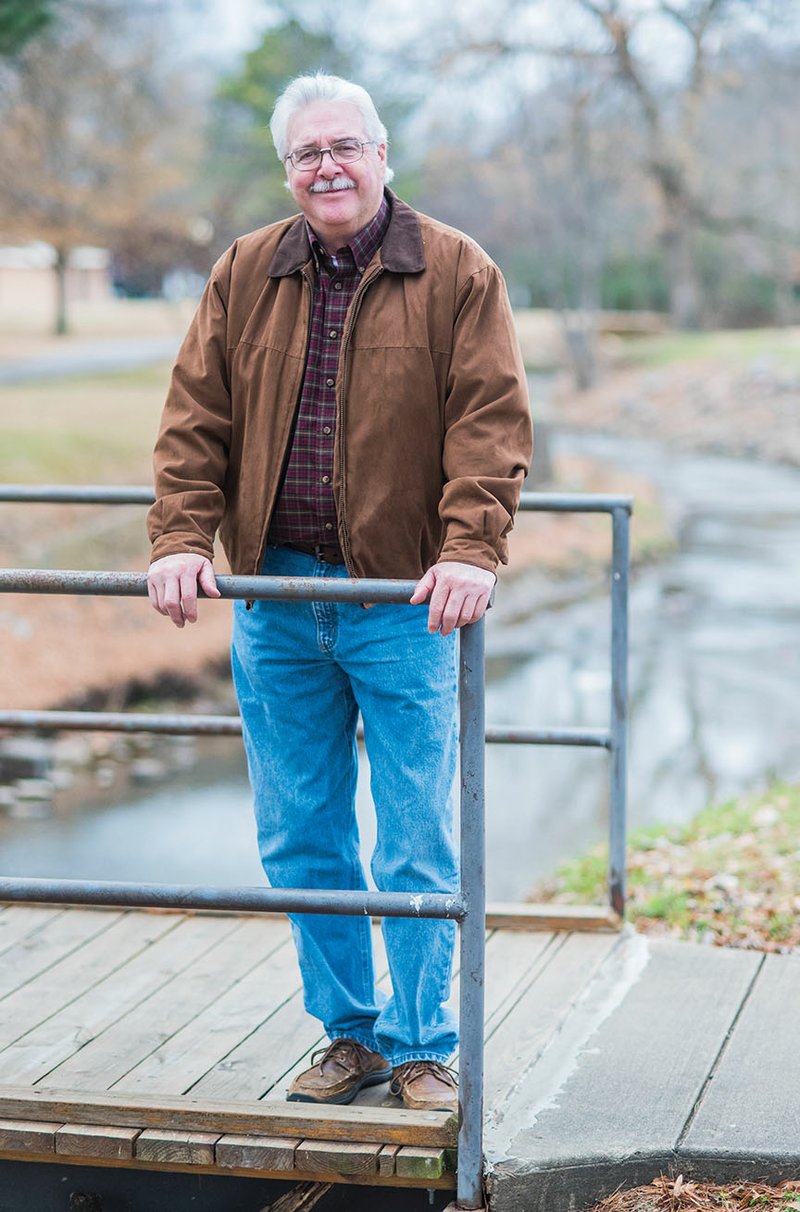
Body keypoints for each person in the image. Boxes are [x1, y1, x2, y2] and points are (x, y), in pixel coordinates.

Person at [146, 73, 531, 1115]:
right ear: (288, 170)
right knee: (302, 833)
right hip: (273, 597)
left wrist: (470, 549)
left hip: (403, 602)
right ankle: (348, 1037)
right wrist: (181, 537)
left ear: (380, 156)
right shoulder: (244, 270)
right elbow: (194, 421)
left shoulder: (455, 270)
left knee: (413, 836)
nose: (327, 166)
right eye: (307, 152)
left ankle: (419, 1049)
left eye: (344, 147)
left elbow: (489, 423)